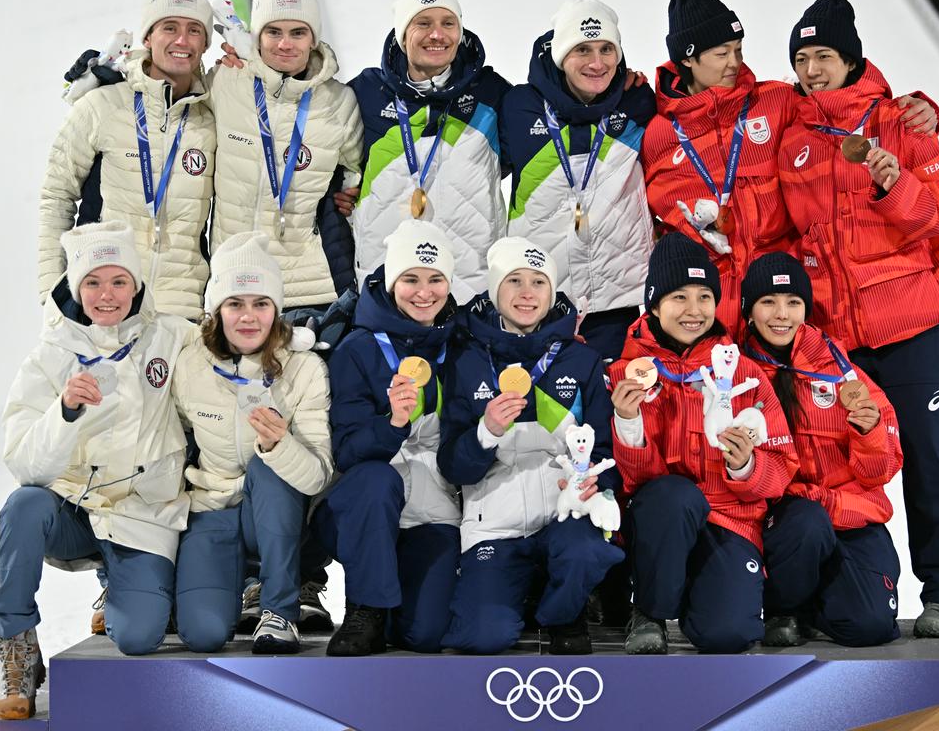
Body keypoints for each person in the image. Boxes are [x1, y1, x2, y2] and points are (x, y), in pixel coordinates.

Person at [777, 0, 939, 637]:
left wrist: (895, 182)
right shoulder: (792, 137)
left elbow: (937, 215)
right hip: (836, 338)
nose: (812, 70)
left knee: (932, 459)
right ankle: (840, 590)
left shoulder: (904, 123)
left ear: (851, 58)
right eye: (802, 59)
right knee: (834, 465)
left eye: (824, 56)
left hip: (911, 328)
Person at [641, 0, 938, 337]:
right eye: (722, 54)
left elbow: (844, 109)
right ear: (688, 58)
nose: (735, 62)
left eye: (738, 49)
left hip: (778, 301)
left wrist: (919, 110)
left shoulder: (775, 101)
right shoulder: (657, 133)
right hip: (709, 306)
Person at [0, 221, 194, 719]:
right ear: (76, 287)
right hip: (74, 512)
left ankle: (118, 583)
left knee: (140, 636)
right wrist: (63, 413)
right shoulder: (49, 356)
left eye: (119, 281)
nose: (107, 295)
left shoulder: (172, 337)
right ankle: (17, 643)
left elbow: (233, 353)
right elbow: (25, 464)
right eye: (93, 282)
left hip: (141, 516)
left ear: (136, 285)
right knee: (22, 507)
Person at [608, 233, 797, 655]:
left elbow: (781, 467)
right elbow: (635, 482)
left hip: (730, 519)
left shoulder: (745, 372)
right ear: (653, 304)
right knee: (674, 497)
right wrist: (627, 422)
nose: (694, 311)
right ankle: (650, 611)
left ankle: (701, 591)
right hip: (662, 520)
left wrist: (746, 466)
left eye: (705, 297)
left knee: (729, 634)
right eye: (679, 297)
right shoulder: (628, 373)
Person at [438, 237, 623, 654]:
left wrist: (593, 485)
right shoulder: (465, 359)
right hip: (494, 527)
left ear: (552, 292)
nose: (527, 293)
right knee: (481, 637)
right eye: (514, 280)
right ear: (494, 289)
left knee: (583, 551)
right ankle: (526, 589)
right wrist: (486, 432)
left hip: (564, 517)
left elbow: (605, 451)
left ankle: (562, 611)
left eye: (539, 282)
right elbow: (452, 465)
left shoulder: (581, 361)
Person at [170, 232, 336, 655]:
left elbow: (318, 477)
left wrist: (281, 445)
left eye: (261, 303)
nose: (248, 317)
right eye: (235, 304)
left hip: (280, 518)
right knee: (204, 633)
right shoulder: (189, 365)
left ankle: (279, 610)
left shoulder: (305, 369)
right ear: (216, 310)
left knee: (269, 466)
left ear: (277, 310)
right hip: (214, 509)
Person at [309, 220, 462, 655]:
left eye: (435, 280)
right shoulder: (357, 348)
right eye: (411, 279)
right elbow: (347, 452)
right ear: (392, 281)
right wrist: (392, 423)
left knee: (425, 635)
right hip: (362, 507)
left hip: (433, 508)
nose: (424, 292)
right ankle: (367, 609)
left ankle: (391, 595)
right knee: (378, 480)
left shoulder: (461, 342)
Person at [739, 252, 903, 647]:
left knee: (871, 626)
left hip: (848, 514)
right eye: (768, 302)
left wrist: (869, 433)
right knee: (808, 524)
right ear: (749, 311)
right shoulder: (737, 374)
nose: (782, 314)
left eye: (793, 302)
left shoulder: (842, 371)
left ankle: (812, 605)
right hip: (786, 520)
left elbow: (879, 472)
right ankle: (783, 608)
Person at [39, 0, 217, 320]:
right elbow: (56, 197)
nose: (182, 40)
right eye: (169, 27)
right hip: (103, 307)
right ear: (147, 37)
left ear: (205, 43)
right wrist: (52, 294)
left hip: (182, 312)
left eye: (194, 30)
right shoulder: (102, 105)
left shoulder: (212, 119)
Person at [501, 0, 656, 361]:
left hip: (618, 298)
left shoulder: (637, 101)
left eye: (607, 49)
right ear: (560, 55)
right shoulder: (518, 106)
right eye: (582, 49)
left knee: (613, 393)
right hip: (540, 296)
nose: (597, 63)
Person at [207, 0, 364, 321]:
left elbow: (356, 171)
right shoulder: (226, 82)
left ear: (313, 39)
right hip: (232, 281)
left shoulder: (339, 102)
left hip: (308, 288)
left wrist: (351, 196)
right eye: (273, 32)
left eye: (298, 32)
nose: (285, 44)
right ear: (257, 36)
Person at [346, 0, 511, 303]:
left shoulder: (491, 93)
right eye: (423, 23)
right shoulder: (366, 93)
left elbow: (544, 130)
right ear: (402, 34)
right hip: (387, 283)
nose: (437, 34)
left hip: (471, 285)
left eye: (448, 23)